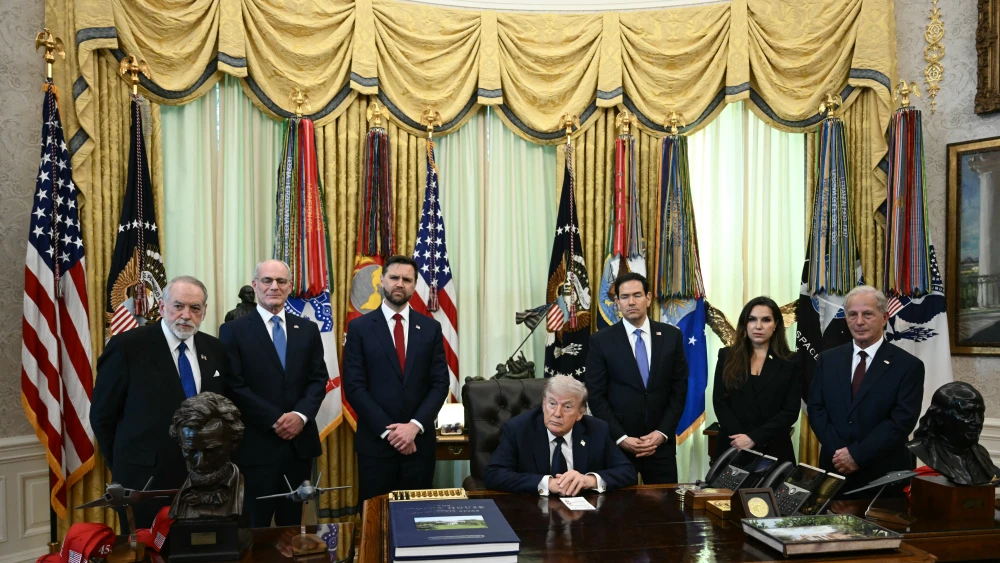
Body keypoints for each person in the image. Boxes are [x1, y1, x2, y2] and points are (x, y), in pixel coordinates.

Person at [91, 276, 229, 533]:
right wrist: (126, 465)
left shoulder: (216, 349)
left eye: (195, 308)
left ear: (204, 311)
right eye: (178, 306)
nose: (186, 315)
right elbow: (102, 417)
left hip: (203, 482)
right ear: (163, 306)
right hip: (144, 482)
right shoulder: (127, 347)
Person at [219, 259, 328, 526]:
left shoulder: (308, 330)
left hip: (298, 447)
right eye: (267, 281)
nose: (274, 287)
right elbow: (234, 385)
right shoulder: (233, 330)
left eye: (281, 281)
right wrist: (276, 419)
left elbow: (318, 379)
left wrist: (300, 416)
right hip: (256, 447)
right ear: (256, 285)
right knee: (254, 529)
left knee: (293, 530)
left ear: (290, 286)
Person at [343, 255, 450, 504]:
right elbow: (355, 387)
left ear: (414, 285)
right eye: (394, 277)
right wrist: (392, 433)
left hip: (419, 445)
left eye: (407, 279)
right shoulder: (359, 328)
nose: (399, 283)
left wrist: (414, 426)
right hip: (376, 447)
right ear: (381, 281)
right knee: (377, 524)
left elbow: (439, 384)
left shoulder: (430, 328)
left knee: (419, 522)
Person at [807, 285, 925, 497]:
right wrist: (841, 454)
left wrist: (856, 455)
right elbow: (816, 409)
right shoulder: (827, 360)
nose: (859, 321)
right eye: (852, 314)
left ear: (884, 317)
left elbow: (901, 421)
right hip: (835, 470)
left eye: (867, 314)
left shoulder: (908, 366)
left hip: (883, 475)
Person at [585, 272, 689, 484]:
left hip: (660, 446)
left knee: (665, 513)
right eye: (624, 297)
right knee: (618, 513)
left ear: (648, 298)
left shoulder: (671, 336)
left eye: (637, 295)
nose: (631, 302)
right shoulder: (600, 340)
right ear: (617, 302)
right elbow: (596, 395)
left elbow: (679, 390)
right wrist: (621, 438)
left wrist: (661, 433)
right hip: (618, 447)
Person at [484, 376, 637, 495]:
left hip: (584, 518)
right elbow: (494, 474)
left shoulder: (597, 429)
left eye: (567, 407)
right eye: (552, 404)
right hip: (533, 514)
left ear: (580, 413)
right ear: (544, 404)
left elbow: (628, 472)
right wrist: (547, 484)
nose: (557, 414)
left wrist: (588, 480)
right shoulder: (518, 429)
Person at [712, 296, 800, 465]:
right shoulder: (726, 356)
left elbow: (790, 411)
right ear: (745, 324)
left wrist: (754, 438)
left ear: (776, 325)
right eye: (752, 319)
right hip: (733, 444)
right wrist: (742, 439)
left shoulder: (791, 361)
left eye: (766, 320)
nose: (758, 326)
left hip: (774, 449)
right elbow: (720, 402)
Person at [168, 392, 245, 520]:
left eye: (212, 451)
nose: (200, 463)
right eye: (191, 451)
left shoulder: (249, 493)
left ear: (233, 444)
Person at [906, 382, 1000, 486]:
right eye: (966, 413)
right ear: (939, 418)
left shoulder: (981, 453)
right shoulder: (922, 449)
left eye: (980, 413)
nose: (977, 421)